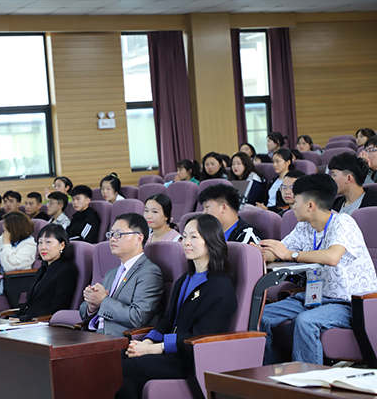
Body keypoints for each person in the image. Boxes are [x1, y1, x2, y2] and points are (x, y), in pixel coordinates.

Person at [254, 174, 377, 365]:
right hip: (315, 298)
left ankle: (308, 381)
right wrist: (261, 253)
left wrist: (291, 254)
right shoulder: (304, 227)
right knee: (261, 316)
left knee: (305, 322)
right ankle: (274, 374)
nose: (292, 206)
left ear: (310, 205)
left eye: (296, 202)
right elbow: (280, 250)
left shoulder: (343, 222)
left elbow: (332, 257)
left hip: (348, 303)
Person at [116, 214, 237, 399]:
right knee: (117, 358)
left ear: (211, 241)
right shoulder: (184, 279)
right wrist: (146, 342)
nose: (186, 242)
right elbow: (168, 320)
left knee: (125, 369)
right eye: (184, 236)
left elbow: (201, 336)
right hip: (172, 353)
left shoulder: (220, 287)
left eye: (194, 237)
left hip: (191, 358)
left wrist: (156, 348)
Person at [80, 213, 164, 336]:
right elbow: (83, 313)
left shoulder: (149, 272)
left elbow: (138, 317)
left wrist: (103, 301)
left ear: (139, 238)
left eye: (119, 234)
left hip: (120, 339)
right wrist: (92, 305)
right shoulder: (111, 273)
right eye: (111, 234)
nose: (112, 239)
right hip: (96, 335)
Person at [9, 224, 77, 321]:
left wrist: (24, 319)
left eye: (48, 242)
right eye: (40, 243)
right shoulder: (42, 269)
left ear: (62, 245)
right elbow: (29, 304)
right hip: (28, 321)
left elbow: (57, 309)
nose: (43, 247)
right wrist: (14, 317)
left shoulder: (66, 271)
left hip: (42, 324)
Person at [256, 148, 294, 212]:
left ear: (288, 162)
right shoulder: (274, 180)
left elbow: (285, 205)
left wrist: (268, 209)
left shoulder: (291, 181)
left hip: (277, 213)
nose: (274, 165)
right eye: (273, 162)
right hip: (267, 210)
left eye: (278, 161)